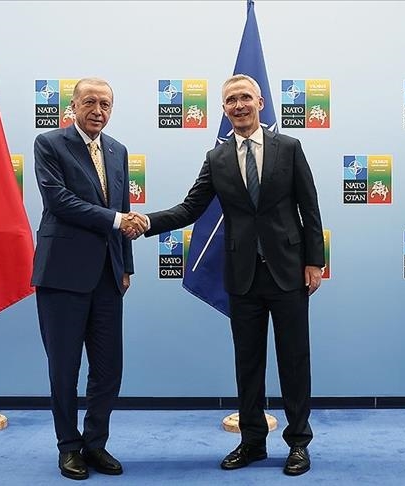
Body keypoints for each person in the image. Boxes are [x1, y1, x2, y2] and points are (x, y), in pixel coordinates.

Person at [129, 74, 324, 476]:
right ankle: (252, 442)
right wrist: (147, 221)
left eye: (245, 97)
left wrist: (314, 262)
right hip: (242, 276)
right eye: (231, 100)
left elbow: (310, 207)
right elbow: (190, 208)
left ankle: (298, 443)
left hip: (288, 273)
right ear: (223, 109)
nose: (239, 105)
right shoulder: (216, 158)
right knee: (247, 364)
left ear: (260, 103)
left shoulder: (289, 147)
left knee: (294, 361)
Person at [32, 78, 141, 480]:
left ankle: (95, 444)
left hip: (108, 276)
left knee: (109, 368)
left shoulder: (118, 150)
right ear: (73, 106)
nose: (98, 110)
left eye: (105, 104)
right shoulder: (49, 144)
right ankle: (68, 447)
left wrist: (125, 265)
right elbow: (58, 200)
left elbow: (123, 206)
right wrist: (116, 220)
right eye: (90, 102)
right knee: (64, 368)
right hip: (62, 274)